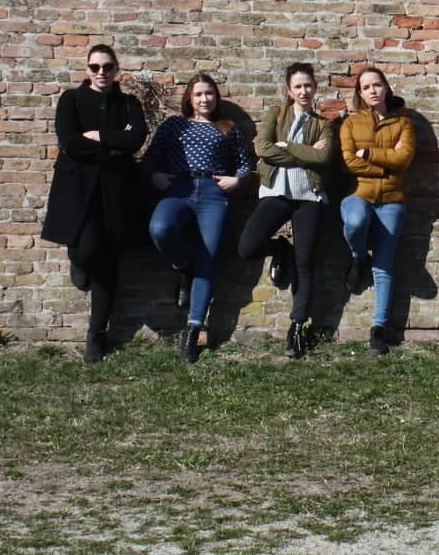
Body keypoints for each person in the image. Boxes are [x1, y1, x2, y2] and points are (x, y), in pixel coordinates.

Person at [41, 44, 149, 365]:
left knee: (108, 261)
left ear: (117, 69)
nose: (101, 72)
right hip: (77, 188)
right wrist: (115, 144)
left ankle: (96, 335)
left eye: (107, 67)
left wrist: (97, 136)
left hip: (116, 190)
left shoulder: (128, 103)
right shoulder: (71, 99)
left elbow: (136, 139)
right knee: (86, 249)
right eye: (95, 67)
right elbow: (69, 141)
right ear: (87, 69)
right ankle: (79, 262)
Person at [145, 74, 251, 364]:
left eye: (210, 93)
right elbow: (151, 157)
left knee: (209, 258)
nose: (205, 99)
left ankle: (192, 331)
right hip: (179, 187)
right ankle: (182, 266)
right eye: (199, 94)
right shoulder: (174, 125)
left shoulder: (228, 128)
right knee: (160, 227)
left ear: (216, 97)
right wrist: (155, 175)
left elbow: (244, 165)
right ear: (189, 99)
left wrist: (236, 180)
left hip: (213, 194)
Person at [237, 62, 337, 359]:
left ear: (315, 88)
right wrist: (306, 153)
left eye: (308, 85)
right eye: (298, 86)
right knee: (248, 247)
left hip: (309, 196)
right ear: (289, 90)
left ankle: (296, 327)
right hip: (276, 192)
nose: (304, 91)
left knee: (305, 262)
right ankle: (280, 247)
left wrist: (288, 146)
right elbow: (263, 148)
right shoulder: (276, 113)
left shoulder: (324, 124)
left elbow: (324, 157)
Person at [340, 66, 416, 356]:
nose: (372, 90)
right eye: (366, 87)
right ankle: (358, 257)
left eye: (377, 84)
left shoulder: (404, 123)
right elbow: (349, 161)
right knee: (355, 222)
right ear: (360, 93)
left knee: (384, 265)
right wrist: (386, 164)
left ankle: (378, 328)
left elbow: (404, 159)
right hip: (358, 194)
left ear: (386, 87)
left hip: (392, 200)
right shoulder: (350, 123)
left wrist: (369, 153)